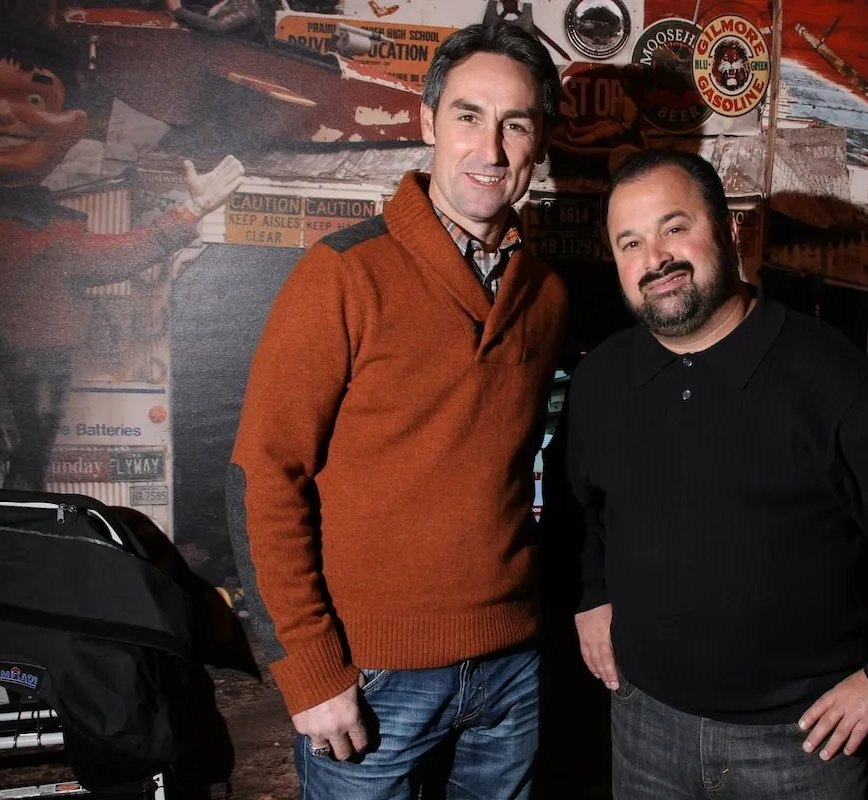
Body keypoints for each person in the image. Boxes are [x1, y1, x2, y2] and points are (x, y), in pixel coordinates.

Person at [552, 149, 868, 799]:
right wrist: (592, 593)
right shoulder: (600, 381)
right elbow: (584, 511)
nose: (656, 258)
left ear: (730, 232)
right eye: (631, 242)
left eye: (675, 228)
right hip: (643, 728)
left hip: (798, 748)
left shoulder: (827, 376)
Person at [227, 21, 567, 800]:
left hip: (511, 667)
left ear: (540, 140)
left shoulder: (546, 295)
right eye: (468, 116)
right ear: (427, 123)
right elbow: (263, 477)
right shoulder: (342, 275)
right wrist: (311, 670)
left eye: (516, 123)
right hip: (373, 678)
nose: (492, 147)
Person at [0, 31, 243, 490]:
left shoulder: (57, 235)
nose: (3, 114)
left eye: (33, 96)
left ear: (74, 122)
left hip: (37, 367)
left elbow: (115, 255)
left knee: (28, 467)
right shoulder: (52, 237)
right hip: (35, 366)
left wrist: (192, 211)